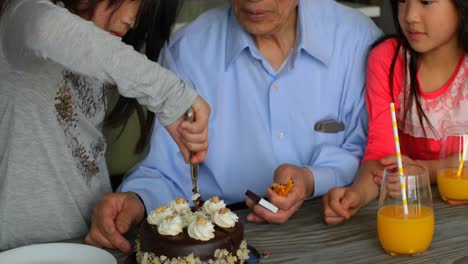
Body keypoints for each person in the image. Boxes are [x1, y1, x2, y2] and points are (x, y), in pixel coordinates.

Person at [86, 0, 381, 252]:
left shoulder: (355, 40)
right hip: (221, 240)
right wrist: (136, 201)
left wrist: (311, 179)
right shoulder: (188, 50)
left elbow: (374, 150)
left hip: (347, 229)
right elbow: (165, 170)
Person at [0, 0, 211, 250]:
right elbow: (46, 25)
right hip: (19, 250)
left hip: (90, 244)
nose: (133, 21)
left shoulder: (102, 55)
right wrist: (173, 96)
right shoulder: (22, 13)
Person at [322, 0, 468, 225]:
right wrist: (357, 195)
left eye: (426, 2)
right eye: (402, 1)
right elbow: (381, 157)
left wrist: (425, 172)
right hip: (412, 216)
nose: (410, 15)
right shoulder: (387, 60)